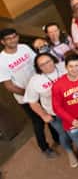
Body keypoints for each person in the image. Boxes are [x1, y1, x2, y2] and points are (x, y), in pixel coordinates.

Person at [0, 28, 57, 158]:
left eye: (14, 36)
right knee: (39, 122)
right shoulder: (1, 60)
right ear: (3, 42)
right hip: (25, 98)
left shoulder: (24, 47)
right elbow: (9, 86)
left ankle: (58, 139)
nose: (13, 40)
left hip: (41, 90)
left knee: (50, 113)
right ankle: (44, 148)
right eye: (9, 39)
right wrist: (31, 93)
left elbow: (37, 65)